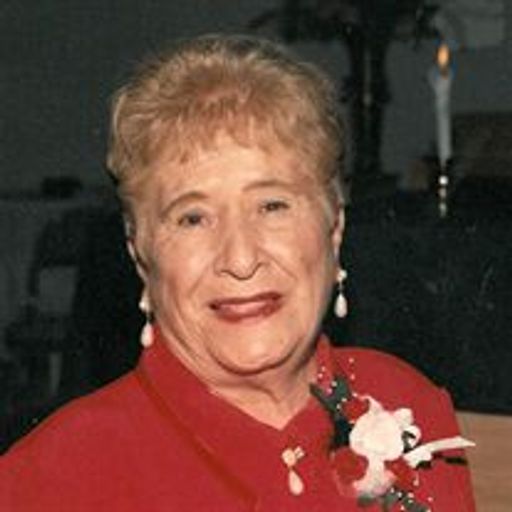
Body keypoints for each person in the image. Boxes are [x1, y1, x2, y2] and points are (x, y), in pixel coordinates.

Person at [0, 34, 475, 511]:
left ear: (334, 229)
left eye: (272, 206)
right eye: (192, 218)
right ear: (140, 254)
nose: (241, 259)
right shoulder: (54, 477)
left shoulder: (408, 405)